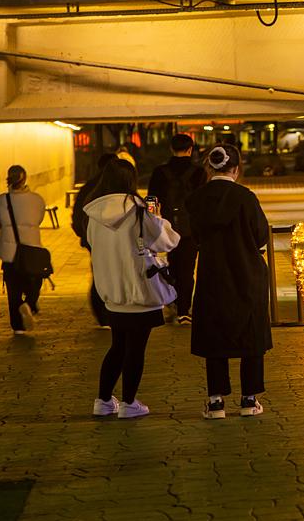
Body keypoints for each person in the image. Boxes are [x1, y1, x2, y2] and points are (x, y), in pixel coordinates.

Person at [84, 159, 179, 419]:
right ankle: (128, 403)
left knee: (117, 345)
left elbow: (93, 245)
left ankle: (103, 400)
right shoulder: (138, 211)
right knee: (136, 348)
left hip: (112, 292)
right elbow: (168, 240)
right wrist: (158, 217)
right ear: (131, 181)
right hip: (140, 290)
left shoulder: (93, 214)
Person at [187, 144, 272, 419]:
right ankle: (249, 399)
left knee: (215, 334)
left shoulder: (197, 199)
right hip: (247, 273)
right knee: (251, 334)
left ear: (209, 168)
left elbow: (193, 235)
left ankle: (216, 402)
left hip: (213, 273)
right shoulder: (246, 198)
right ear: (235, 168)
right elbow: (260, 235)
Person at [147, 133, 206, 324]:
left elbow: (151, 200)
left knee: (169, 266)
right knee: (187, 270)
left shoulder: (159, 172)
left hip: (165, 228)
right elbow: (202, 202)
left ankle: (170, 301)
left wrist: (153, 222)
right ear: (190, 149)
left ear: (171, 149)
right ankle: (184, 311)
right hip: (190, 230)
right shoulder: (199, 172)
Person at [0, 165, 46, 336]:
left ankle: (17, 326)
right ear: (25, 179)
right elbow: (38, 220)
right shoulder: (37, 199)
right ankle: (30, 304)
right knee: (34, 281)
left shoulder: (2, 200)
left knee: (13, 288)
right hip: (31, 248)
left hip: (10, 252)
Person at [73, 153, 117, 327]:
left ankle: (102, 314)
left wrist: (85, 236)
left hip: (95, 241)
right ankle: (114, 309)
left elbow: (77, 216)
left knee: (99, 275)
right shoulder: (119, 188)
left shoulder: (89, 188)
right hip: (116, 241)